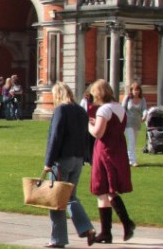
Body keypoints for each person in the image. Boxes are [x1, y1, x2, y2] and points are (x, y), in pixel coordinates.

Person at [43, 82, 96, 248]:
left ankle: (57, 239)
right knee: (70, 196)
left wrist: (48, 162)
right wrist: (86, 156)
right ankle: (86, 228)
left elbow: (56, 137)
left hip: (63, 159)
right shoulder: (80, 110)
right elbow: (87, 136)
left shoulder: (61, 110)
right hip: (78, 159)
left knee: (56, 199)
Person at [88, 79, 136, 244]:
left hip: (105, 150)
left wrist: (89, 125)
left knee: (106, 188)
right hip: (118, 149)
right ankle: (106, 232)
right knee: (106, 190)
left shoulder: (104, 109)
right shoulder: (119, 108)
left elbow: (98, 133)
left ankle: (125, 222)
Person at [122, 82, 146, 167]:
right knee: (131, 141)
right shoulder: (127, 98)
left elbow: (144, 109)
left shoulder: (142, 99)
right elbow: (123, 109)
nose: (136, 92)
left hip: (137, 123)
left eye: (138, 90)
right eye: (135, 90)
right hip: (128, 123)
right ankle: (133, 161)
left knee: (133, 142)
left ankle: (128, 159)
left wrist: (144, 115)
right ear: (131, 90)